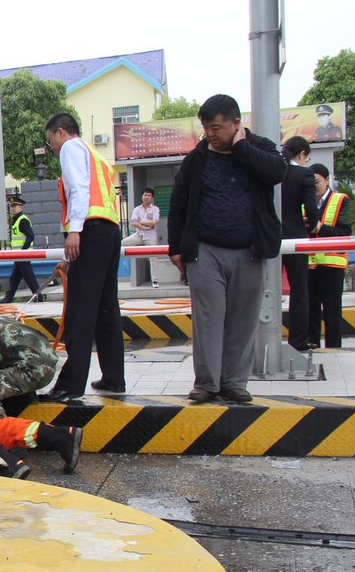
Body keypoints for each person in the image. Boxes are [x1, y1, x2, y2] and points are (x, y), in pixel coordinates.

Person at [167, 94, 286, 404]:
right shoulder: (197, 158)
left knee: (243, 319)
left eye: (217, 128)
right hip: (205, 251)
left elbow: (276, 172)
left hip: (249, 250)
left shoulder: (259, 148)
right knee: (207, 318)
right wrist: (176, 248)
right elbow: (178, 204)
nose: (210, 134)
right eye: (206, 128)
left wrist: (242, 148)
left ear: (236, 124)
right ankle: (206, 384)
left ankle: (234, 382)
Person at [38, 113, 126, 402]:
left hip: (89, 231)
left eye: (50, 140)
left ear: (60, 132)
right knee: (106, 308)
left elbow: (78, 190)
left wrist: (74, 232)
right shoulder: (95, 155)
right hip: (108, 232)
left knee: (79, 310)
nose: (51, 147)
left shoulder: (71, 149)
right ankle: (113, 378)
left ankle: (70, 385)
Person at [280, 136, 322, 352]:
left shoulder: (273, 171)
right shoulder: (303, 173)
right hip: (295, 237)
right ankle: (297, 342)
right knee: (299, 291)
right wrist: (313, 224)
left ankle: (257, 339)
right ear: (302, 154)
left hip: (270, 237)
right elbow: (311, 207)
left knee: (261, 289)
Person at [307, 162, 353, 349]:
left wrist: (320, 228)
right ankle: (312, 347)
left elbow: (345, 232)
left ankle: (334, 349)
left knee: (332, 312)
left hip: (332, 266)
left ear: (326, 180)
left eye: (316, 181)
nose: (313, 186)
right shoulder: (305, 202)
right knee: (311, 311)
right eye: (309, 182)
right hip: (309, 266)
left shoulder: (341, 200)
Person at [0, 196, 43, 303]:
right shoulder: (16, 220)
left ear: (21, 207)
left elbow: (30, 236)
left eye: (15, 206)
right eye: (11, 206)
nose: (13, 208)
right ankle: (8, 299)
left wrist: (23, 251)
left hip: (23, 255)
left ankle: (38, 297)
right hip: (18, 255)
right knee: (14, 278)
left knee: (29, 278)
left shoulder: (22, 220)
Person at [122, 187, 162, 286]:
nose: (146, 197)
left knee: (153, 258)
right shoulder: (137, 209)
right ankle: (134, 257)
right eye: (145, 195)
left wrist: (141, 222)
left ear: (152, 198)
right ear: (142, 196)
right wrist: (146, 227)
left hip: (151, 236)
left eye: (149, 195)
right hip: (139, 234)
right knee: (124, 242)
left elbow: (154, 222)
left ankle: (155, 281)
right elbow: (133, 223)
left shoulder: (155, 209)